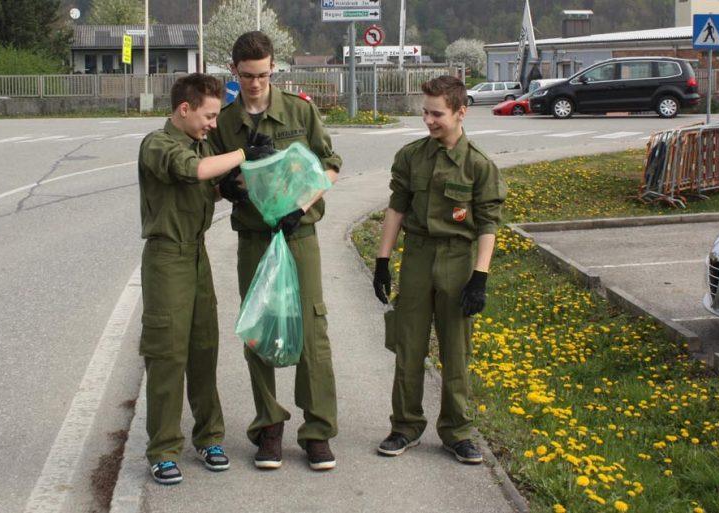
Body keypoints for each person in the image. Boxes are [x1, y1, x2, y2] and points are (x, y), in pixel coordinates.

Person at [210, 31, 342, 472]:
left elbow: (331, 166)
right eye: (247, 76)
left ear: (273, 69)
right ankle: (269, 425)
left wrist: (300, 206)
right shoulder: (225, 122)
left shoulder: (299, 111)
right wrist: (230, 186)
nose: (255, 84)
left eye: (263, 75)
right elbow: (213, 179)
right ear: (234, 71)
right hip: (254, 238)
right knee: (259, 329)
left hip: (298, 236)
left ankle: (317, 430)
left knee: (311, 329)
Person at [136, 73, 265, 485]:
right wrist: (241, 154)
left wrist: (233, 187)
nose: (213, 124)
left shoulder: (201, 144)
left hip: (196, 254)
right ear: (184, 109)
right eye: (208, 116)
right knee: (167, 354)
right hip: (166, 258)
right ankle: (163, 449)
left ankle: (209, 438)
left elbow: (209, 183)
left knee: (204, 348)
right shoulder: (157, 145)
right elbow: (193, 172)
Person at [371, 75, 506, 464]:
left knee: (456, 350)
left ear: (461, 112)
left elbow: (488, 224)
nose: (428, 120)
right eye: (425, 113)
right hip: (417, 256)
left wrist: (480, 277)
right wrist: (383, 260)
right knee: (408, 346)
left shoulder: (478, 165)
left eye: (437, 114)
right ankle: (405, 426)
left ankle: (457, 431)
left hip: (457, 260)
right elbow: (396, 207)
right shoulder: (412, 156)